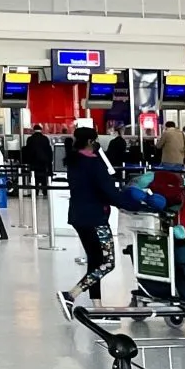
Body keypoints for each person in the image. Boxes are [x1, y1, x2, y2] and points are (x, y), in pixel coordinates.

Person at [62, 124, 165, 309]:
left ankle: (97, 305)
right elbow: (109, 192)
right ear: (90, 142)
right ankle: (71, 295)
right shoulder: (94, 164)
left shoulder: (73, 162)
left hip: (79, 217)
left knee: (95, 261)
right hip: (96, 219)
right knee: (107, 262)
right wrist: (134, 204)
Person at [21, 126, 54, 196]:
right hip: (43, 162)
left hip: (33, 162)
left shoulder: (30, 139)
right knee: (44, 178)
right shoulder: (45, 139)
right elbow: (48, 151)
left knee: (34, 177)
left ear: (34, 130)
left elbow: (28, 151)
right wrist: (49, 161)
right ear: (41, 130)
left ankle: (35, 192)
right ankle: (45, 191)